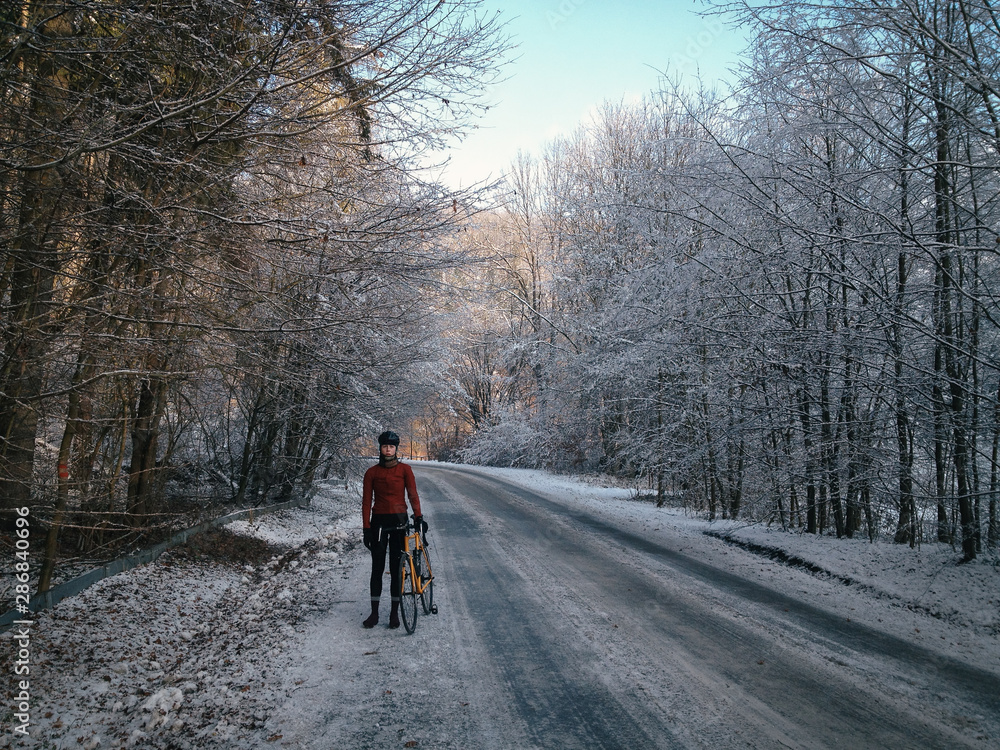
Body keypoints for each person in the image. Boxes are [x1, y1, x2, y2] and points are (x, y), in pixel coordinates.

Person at [361, 430, 427, 629]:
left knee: (398, 569)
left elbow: (412, 495)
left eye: (391, 447)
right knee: (377, 569)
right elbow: (366, 503)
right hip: (379, 524)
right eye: (385, 446)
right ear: (380, 448)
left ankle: (394, 614)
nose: (388, 450)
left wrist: (418, 516)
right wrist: (366, 528)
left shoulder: (405, 470)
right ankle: (374, 614)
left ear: (396, 449)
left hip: (399, 522)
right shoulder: (371, 473)